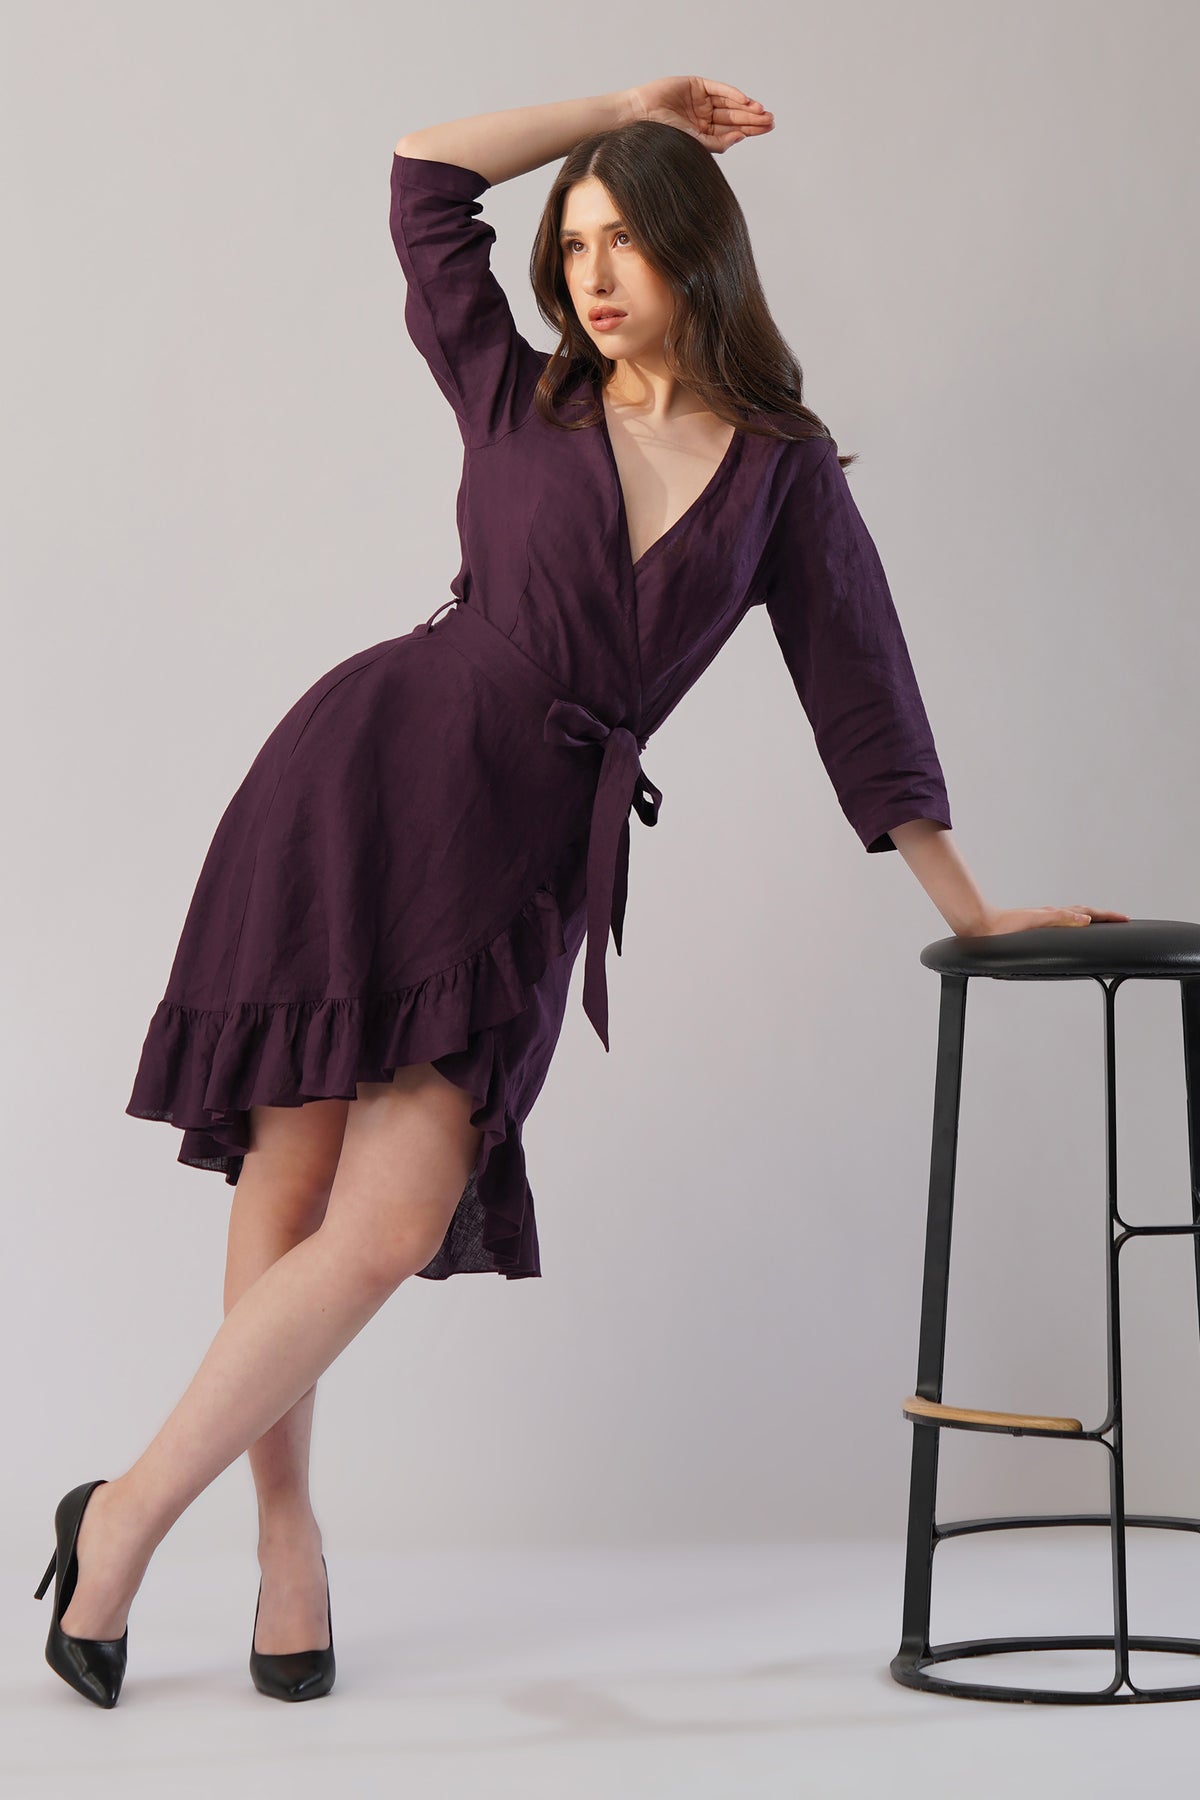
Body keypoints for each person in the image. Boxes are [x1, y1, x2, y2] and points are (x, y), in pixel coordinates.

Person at [38, 75, 1129, 1709]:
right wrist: (622, 106)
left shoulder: (780, 471)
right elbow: (422, 179)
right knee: (291, 1174)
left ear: (702, 251)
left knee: (386, 1224)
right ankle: (279, 1543)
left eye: (629, 240)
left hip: (527, 859)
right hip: (368, 782)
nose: (596, 274)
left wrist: (967, 904)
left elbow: (862, 684)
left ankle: (116, 1511)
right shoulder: (519, 390)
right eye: (577, 243)